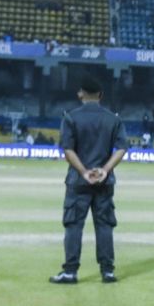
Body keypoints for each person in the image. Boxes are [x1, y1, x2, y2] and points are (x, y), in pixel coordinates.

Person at [50, 76, 124, 284]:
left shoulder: (71, 117)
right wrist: (105, 170)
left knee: (74, 225)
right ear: (101, 95)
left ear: (80, 93)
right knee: (104, 225)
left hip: (78, 181)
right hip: (104, 183)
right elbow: (122, 148)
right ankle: (107, 271)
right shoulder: (113, 119)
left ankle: (70, 271)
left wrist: (83, 172)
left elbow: (67, 149)